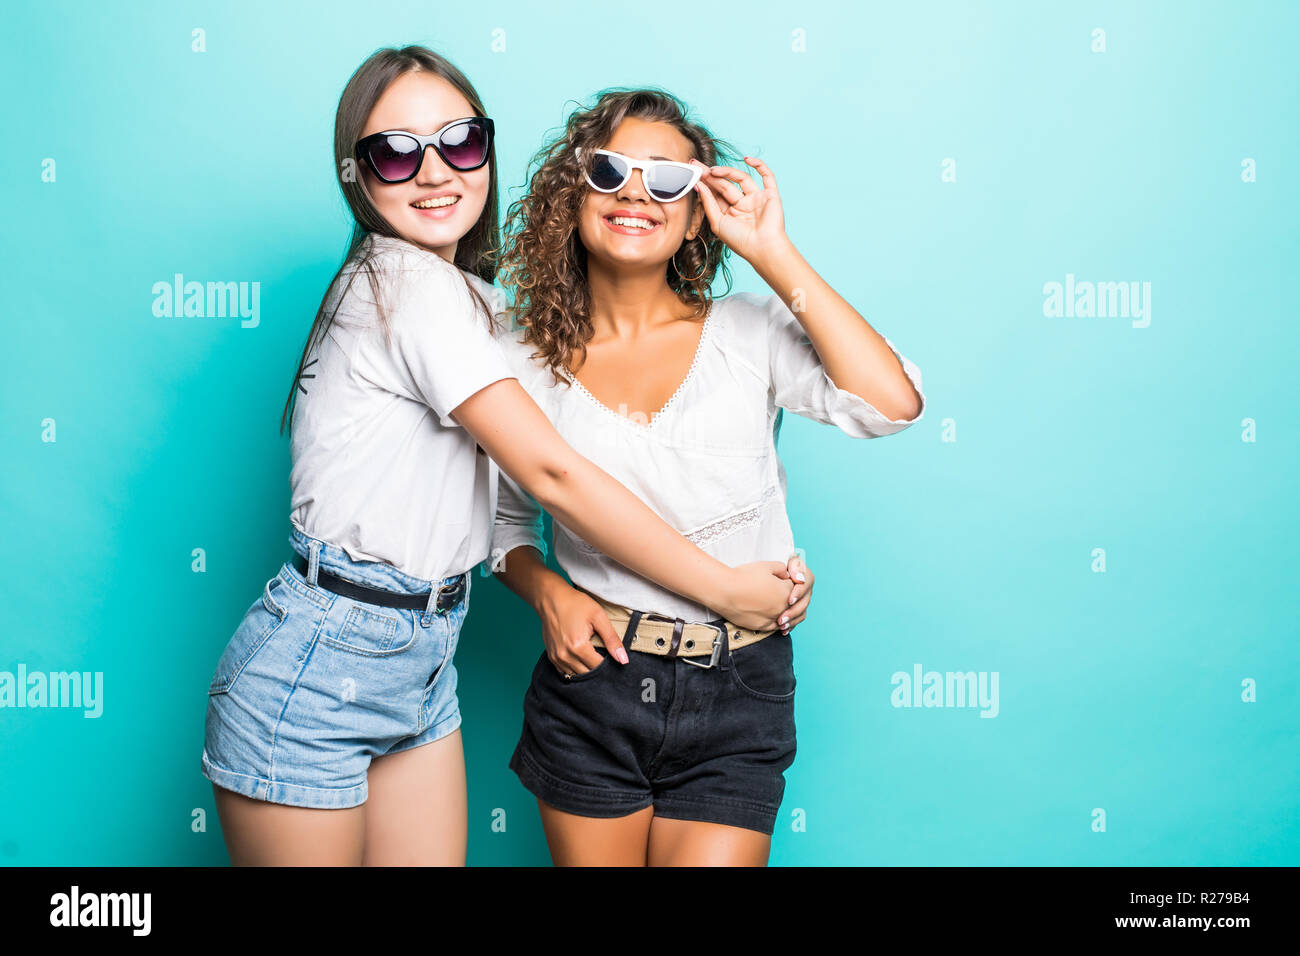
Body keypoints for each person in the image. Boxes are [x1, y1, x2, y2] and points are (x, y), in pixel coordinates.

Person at [200, 48, 799, 867]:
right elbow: (552, 473)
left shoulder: (479, 308)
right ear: (356, 175)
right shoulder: (402, 287)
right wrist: (727, 588)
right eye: (395, 152)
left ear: (486, 147)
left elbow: (530, 489)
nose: (434, 170)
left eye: (459, 142)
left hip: (423, 655)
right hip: (319, 658)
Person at [492, 88, 926, 866]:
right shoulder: (518, 357)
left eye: (666, 181)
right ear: (574, 193)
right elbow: (501, 524)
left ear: (697, 214)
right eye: (611, 171)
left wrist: (772, 251)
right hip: (595, 683)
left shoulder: (749, 331)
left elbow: (890, 404)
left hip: (741, 686)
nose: (635, 192)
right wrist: (549, 592)